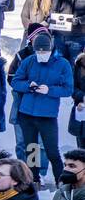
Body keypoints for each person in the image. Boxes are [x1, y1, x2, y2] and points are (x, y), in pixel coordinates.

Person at [12, 30, 71, 183]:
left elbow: (68, 89)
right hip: (27, 114)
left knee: (52, 151)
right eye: (38, 51)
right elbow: (15, 81)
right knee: (32, 150)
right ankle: (34, 180)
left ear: (51, 49)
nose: (41, 53)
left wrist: (49, 90)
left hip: (47, 115)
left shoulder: (62, 64)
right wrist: (28, 86)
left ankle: (61, 183)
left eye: (44, 51)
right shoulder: (30, 61)